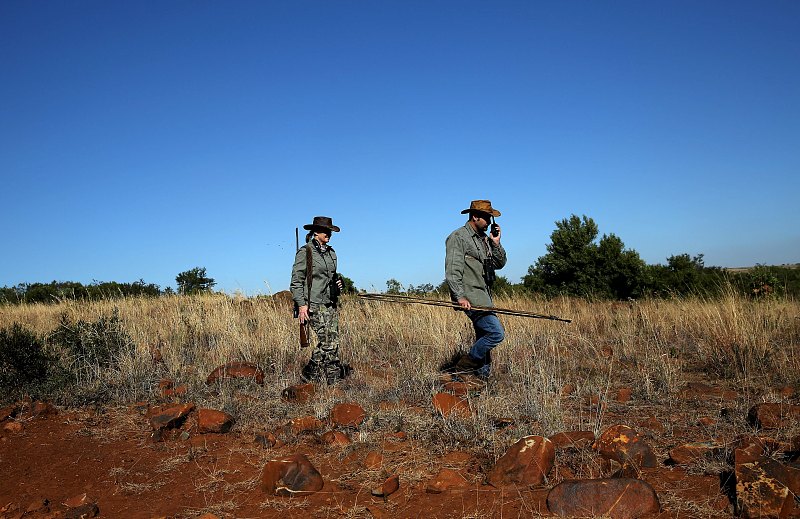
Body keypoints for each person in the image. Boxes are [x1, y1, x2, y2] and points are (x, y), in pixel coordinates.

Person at [445, 200, 507, 380]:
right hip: (471, 298)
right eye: (487, 218)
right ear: (475, 217)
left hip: (485, 297)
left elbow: (499, 264)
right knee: (495, 333)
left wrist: (496, 243)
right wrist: (460, 296)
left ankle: (481, 379)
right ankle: (463, 367)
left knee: (484, 336)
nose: (490, 222)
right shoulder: (458, 237)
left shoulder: (485, 240)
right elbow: (452, 270)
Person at [290, 216, 348, 384]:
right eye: (325, 231)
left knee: (333, 340)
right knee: (328, 341)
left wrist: (338, 282)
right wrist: (301, 305)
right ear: (316, 232)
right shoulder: (305, 252)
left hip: (330, 302)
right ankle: (333, 377)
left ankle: (310, 372)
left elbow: (331, 275)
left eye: (330, 231)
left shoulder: (331, 253)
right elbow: (296, 281)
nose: (328, 234)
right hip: (313, 303)